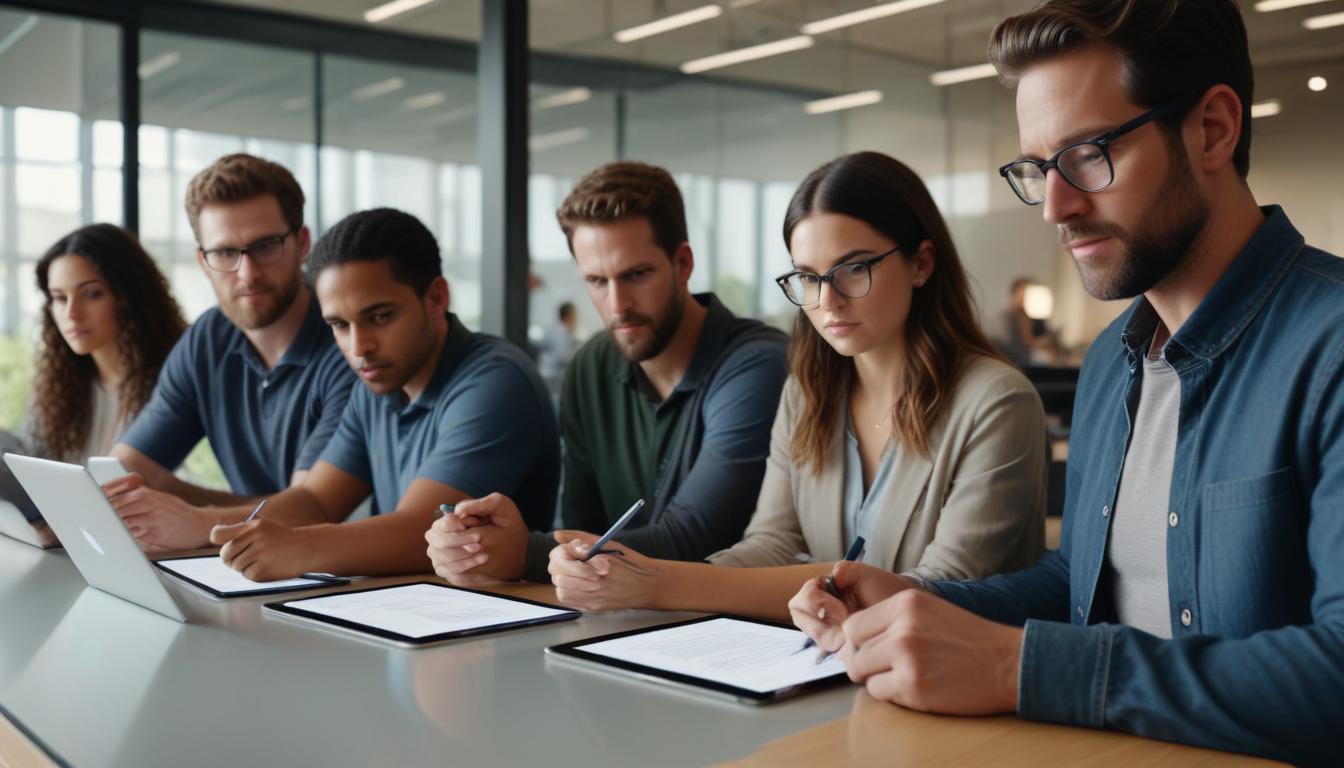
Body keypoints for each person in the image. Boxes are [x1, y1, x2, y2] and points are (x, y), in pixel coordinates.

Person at [788, 2, 1344, 764]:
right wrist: (922, 604)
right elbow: (1084, 580)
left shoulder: (1332, 344)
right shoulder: (1117, 355)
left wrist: (1012, 667)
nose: (1056, 206)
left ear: (1213, 129)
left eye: (1088, 155)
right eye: (1037, 169)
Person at [545, 152, 1046, 616]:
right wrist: (643, 581)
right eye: (807, 276)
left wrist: (661, 585)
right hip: (820, 672)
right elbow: (772, 544)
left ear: (922, 263)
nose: (827, 301)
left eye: (854, 269)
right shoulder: (809, 391)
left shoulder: (996, 402)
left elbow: (935, 591)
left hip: (949, 695)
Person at [425, 161, 788, 585]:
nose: (617, 305)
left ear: (683, 263)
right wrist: (474, 547)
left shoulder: (757, 365)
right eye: (596, 281)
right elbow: (584, 529)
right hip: (611, 618)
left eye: (636, 275)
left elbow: (694, 540)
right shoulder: (590, 366)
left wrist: (524, 552)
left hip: (727, 629)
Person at [208, 208, 559, 580]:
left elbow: (421, 531)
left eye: (379, 317)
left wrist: (299, 547)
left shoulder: (496, 380)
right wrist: (206, 526)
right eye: (340, 325)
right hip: (411, 615)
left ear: (437, 297)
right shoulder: (374, 386)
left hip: (501, 623)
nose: (359, 347)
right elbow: (316, 500)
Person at [103, 154, 357, 551]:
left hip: (350, 577)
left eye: (266, 246)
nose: (247, 273)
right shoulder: (208, 339)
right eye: (225, 253)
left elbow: (310, 508)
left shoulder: (348, 343)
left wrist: (193, 515)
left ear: (302, 243)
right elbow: (125, 473)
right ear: (203, 262)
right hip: (248, 568)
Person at [0, 224, 187, 534]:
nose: (72, 313)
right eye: (59, 298)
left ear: (129, 297)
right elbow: (35, 471)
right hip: (66, 539)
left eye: (92, 294)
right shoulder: (59, 385)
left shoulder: (173, 386)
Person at [997, 277, 1059, 367]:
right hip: (1017, 362)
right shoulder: (1007, 318)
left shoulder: (1030, 316)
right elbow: (1025, 343)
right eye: (1024, 293)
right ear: (1015, 294)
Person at [537, 301, 578, 387]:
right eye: (574, 315)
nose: (576, 319)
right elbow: (563, 357)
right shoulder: (561, 333)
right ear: (568, 316)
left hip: (547, 373)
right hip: (553, 375)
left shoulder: (555, 329)